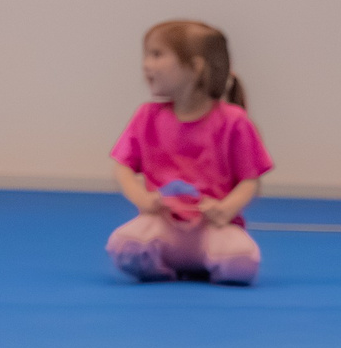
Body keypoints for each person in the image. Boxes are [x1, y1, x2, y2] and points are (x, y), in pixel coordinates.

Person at [107, 20, 272, 285]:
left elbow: (249, 179)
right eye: (146, 54)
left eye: (157, 55)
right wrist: (143, 199)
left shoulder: (233, 121)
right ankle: (163, 266)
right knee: (125, 245)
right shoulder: (146, 117)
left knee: (240, 261)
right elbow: (122, 166)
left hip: (212, 227)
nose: (146, 64)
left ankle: (214, 259)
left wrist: (226, 209)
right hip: (163, 224)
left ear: (195, 67)